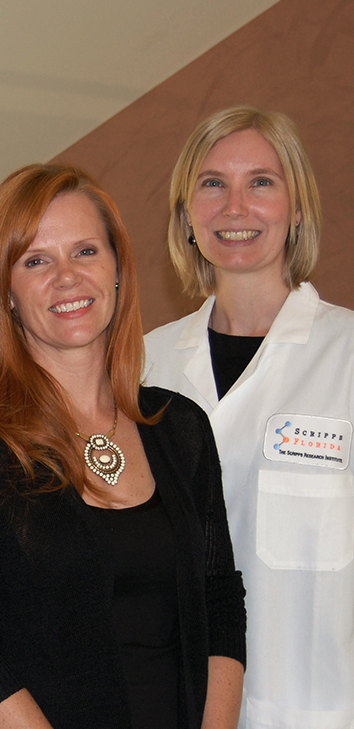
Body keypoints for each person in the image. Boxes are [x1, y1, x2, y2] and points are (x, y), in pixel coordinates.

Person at [0, 164, 246, 729]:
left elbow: (219, 602)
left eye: (85, 251)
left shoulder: (181, 427)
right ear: (7, 293)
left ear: (117, 270)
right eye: (36, 260)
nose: (66, 277)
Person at [143, 106, 354, 727]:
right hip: (176, 705)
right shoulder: (139, 364)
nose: (235, 207)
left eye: (261, 182)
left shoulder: (347, 354)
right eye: (212, 184)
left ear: (298, 209)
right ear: (185, 214)